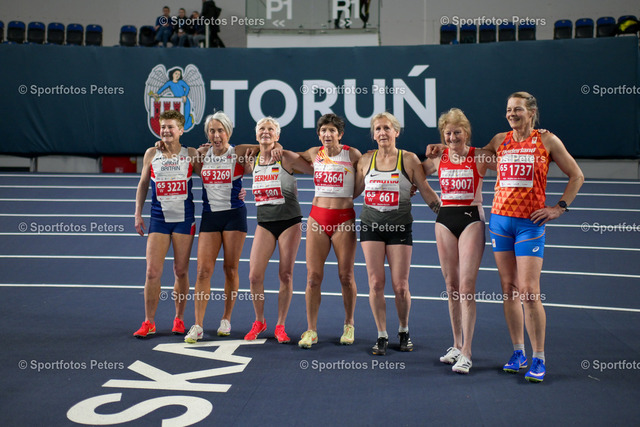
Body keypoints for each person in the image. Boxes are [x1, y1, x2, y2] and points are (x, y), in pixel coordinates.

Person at [427, 92, 584, 382]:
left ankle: (539, 357)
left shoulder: (547, 140)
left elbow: (577, 175)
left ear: (531, 112)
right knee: (509, 289)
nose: (512, 114)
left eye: (518, 109)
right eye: (509, 109)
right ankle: (518, 351)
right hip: (500, 222)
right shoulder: (500, 140)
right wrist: (444, 146)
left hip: (529, 224)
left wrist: (559, 207)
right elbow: (468, 153)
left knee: (529, 291)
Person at [354, 112, 441, 356]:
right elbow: (352, 192)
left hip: (399, 227)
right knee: (375, 283)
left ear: (396, 132)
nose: (382, 132)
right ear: (373, 135)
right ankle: (381, 334)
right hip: (371, 227)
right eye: (378, 129)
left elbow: (425, 189)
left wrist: (445, 214)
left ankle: (403, 330)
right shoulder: (365, 160)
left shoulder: (409, 159)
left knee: (400, 286)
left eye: (387, 128)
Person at [422, 108, 494, 374]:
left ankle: (468, 352)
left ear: (467, 133)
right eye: (448, 133)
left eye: (457, 133)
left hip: (471, 218)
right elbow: (415, 174)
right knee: (451, 285)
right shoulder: (438, 157)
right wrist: (429, 199)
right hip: (444, 219)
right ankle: (455, 344)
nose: (452, 138)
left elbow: (508, 165)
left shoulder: (479, 156)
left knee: (466, 286)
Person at [184, 111, 259, 343]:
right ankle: (198, 325)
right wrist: (159, 144)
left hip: (234, 216)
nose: (216, 135)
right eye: (212, 131)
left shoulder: (238, 152)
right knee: (203, 271)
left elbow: (266, 145)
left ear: (228, 132)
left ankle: (226, 318)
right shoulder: (200, 154)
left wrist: (272, 150)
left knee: (230, 269)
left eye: (220, 131)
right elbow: (174, 150)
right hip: (210, 217)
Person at [243, 117, 314, 344]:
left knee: (285, 274)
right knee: (254, 275)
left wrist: (281, 149)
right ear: (256, 135)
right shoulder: (251, 159)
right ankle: (259, 321)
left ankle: (280, 325)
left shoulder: (286, 157)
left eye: (270, 129)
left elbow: (316, 169)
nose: (266, 132)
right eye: (261, 129)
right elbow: (232, 150)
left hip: (289, 221)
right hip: (264, 222)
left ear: (277, 135)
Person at [133, 110, 201, 338]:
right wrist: (137, 214)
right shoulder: (152, 153)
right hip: (159, 220)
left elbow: (211, 178)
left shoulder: (191, 154)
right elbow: (143, 184)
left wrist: (237, 190)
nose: (166, 131)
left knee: (180, 271)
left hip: (184, 220)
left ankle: (179, 319)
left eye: (170, 127)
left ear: (181, 130)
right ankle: (149, 321)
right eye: (163, 127)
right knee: (152, 272)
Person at [296, 114, 362, 348]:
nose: (327, 134)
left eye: (332, 130)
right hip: (317, 218)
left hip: (343, 219)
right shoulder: (314, 152)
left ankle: (349, 324)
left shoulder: (352, 155)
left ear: (340, 134)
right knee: (313, 278)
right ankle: (311, 330)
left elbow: (369, 173)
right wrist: (265, 149)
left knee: (346, 276)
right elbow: (287, 155)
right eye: (323, 130)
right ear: (318, 134)